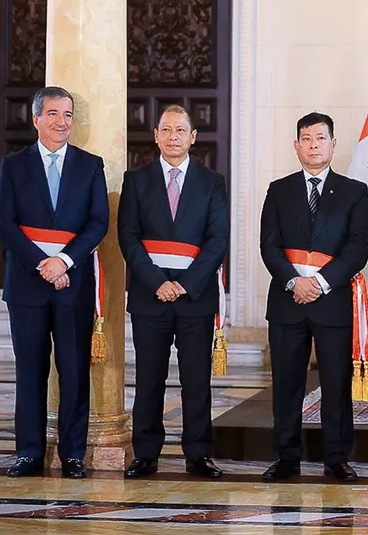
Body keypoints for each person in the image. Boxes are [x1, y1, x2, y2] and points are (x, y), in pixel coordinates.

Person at [0, 86, 109, 479]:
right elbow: (5, 223)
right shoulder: (12, 165)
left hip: (73, 283)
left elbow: (98, 223)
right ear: (36, 119)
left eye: (67, 114)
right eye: (53, 114)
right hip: (27, 284)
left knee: (74, 369)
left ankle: (73, 453)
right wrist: (41, 264)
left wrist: (62, 262)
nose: (61, 122)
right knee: (30, 370)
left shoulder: (90, 165)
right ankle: (28, 452)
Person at [259, 112, 368, 482]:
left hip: (332, 300)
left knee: (336, 383)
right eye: (306, 138)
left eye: (320, 138)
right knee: (287, 383)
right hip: (287, 300)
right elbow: (269, 246)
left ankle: (336, 458)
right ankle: (287, 458)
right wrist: (295, 282)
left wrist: (320, 283)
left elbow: (358, 248)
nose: (313, 145)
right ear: (296, 145)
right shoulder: (279, 189)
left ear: (333, 144)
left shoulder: (355, 191)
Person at [118, 105, 229, 479]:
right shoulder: (136, 180)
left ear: (193, 137)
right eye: (166, 130)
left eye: (181, 130)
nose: (173, 137)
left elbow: (217, 240)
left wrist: (185, 283)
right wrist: (157, 282)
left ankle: (198, 454)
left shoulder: (212, 182)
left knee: (196, 379)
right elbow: (128, 239)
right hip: (151, 297)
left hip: (195, 298)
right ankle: (145, 453)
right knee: (149, 378)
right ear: (155, 134)